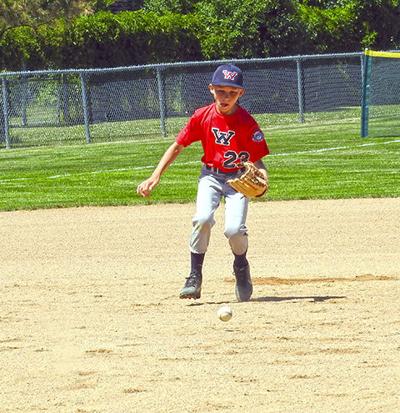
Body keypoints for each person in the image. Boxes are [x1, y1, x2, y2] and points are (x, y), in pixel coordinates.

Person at [137, 64, 269, 301]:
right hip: (210, 175)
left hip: (238, 180)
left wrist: (263, 177)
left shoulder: (247, 122)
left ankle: (241, 266)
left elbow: (258, 160)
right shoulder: (202, 116)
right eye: (221, 91)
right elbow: (177, 145)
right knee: (202, 219)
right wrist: (155, 175)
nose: (225, 96)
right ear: (211, 89)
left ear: (241, 94)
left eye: (232, 92)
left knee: (233, 230)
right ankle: (194, 276)